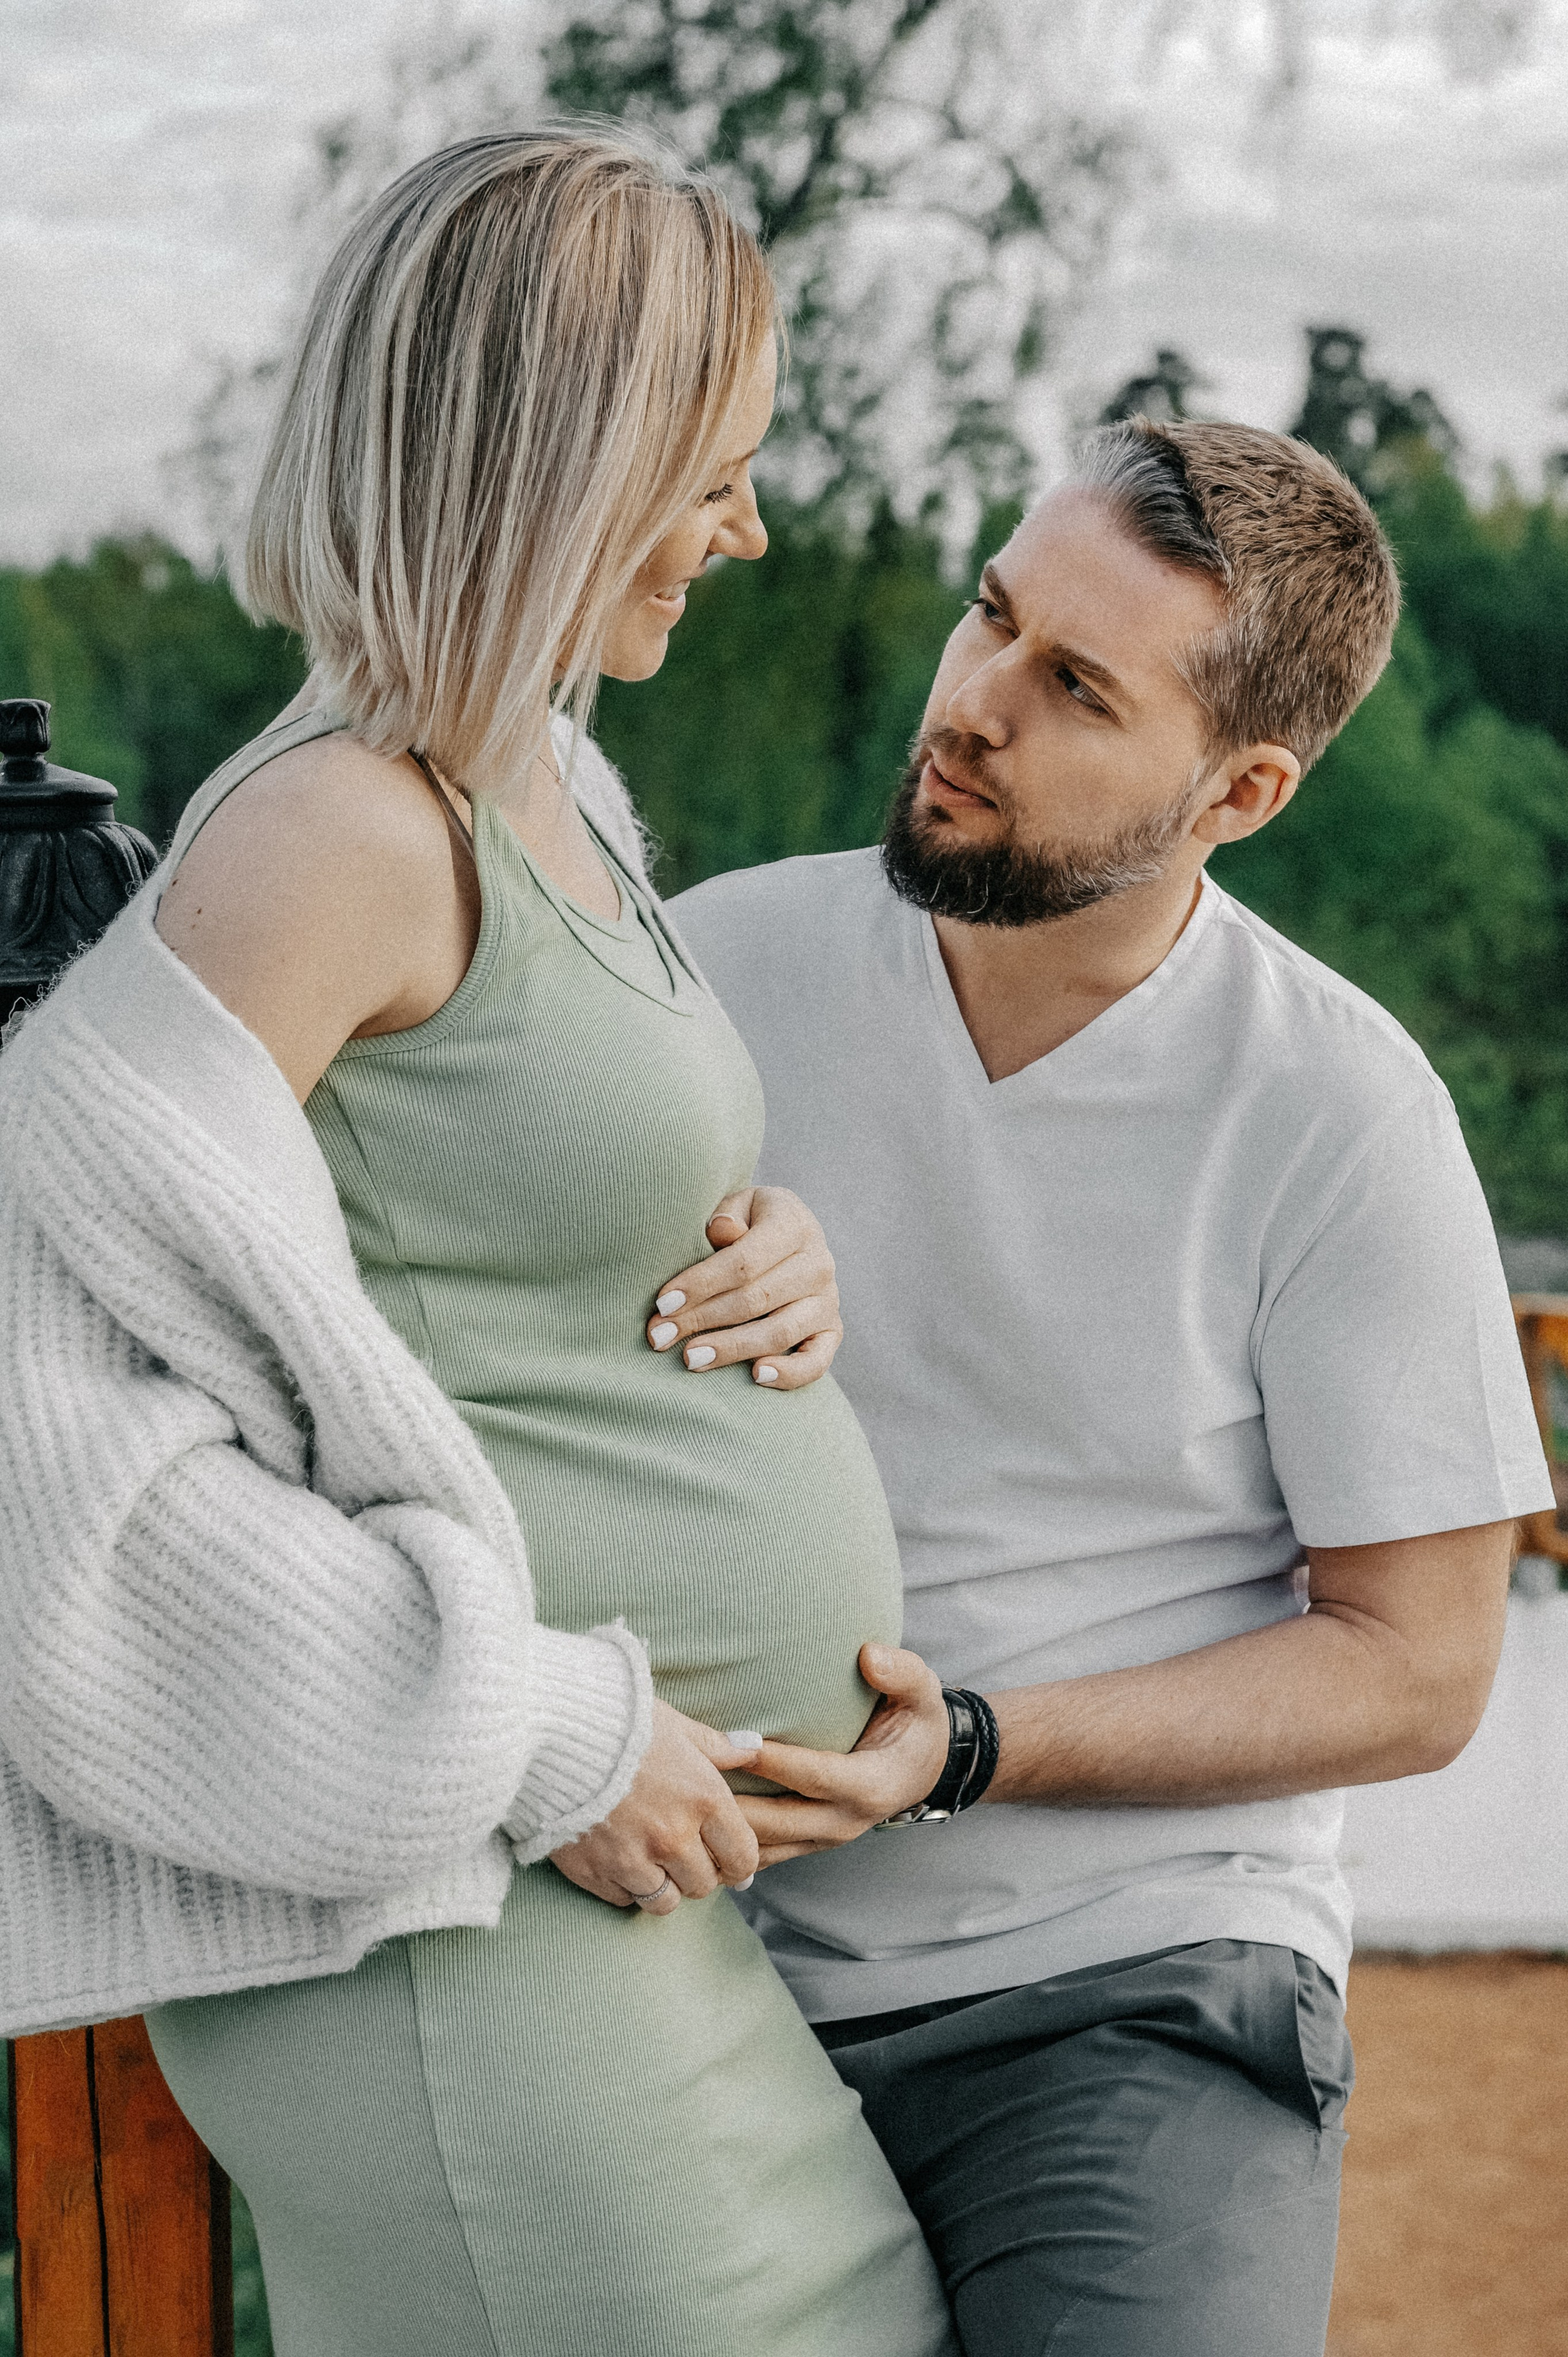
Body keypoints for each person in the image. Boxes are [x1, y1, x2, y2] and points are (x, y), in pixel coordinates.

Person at [0, 130, 958, 2356]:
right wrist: (536, 1733)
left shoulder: (550, 780)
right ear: (550, 461)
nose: (747, 525)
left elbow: (488, 1225)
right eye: (708, 469)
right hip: (454, 1940)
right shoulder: (330, 832)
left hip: (602, 1920)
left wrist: (775, 1252)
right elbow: (39, 1453)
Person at [674, 418, 1556, 2357]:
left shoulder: (1339, 1110)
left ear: (1242, 788)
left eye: (1074, 685)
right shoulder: (716, 966)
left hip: (1128, 1982)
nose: (975, 703)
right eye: (994, 614)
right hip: (691, 1952)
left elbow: (1420, 1667)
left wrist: (974, 1742)